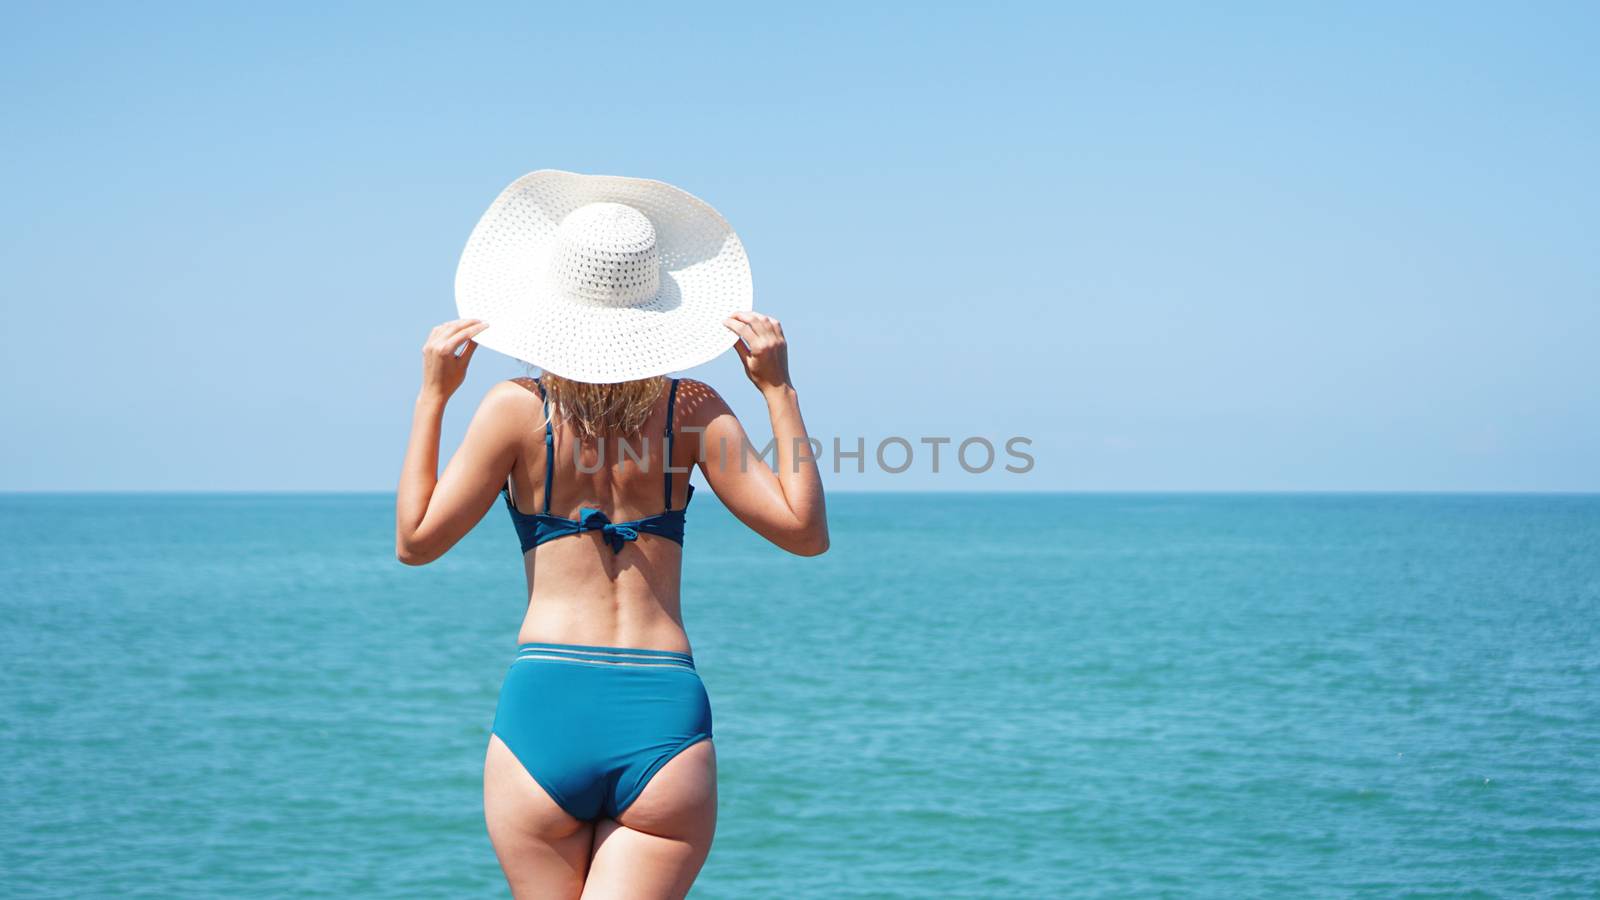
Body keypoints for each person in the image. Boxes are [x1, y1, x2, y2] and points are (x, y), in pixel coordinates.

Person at [394, 170, 828, 899]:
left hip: (544, 709)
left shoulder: (511, 410)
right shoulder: (692, 408)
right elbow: (803, 531)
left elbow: (416, 541)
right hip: (661, 713)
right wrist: (778, 389)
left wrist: (433, 397)